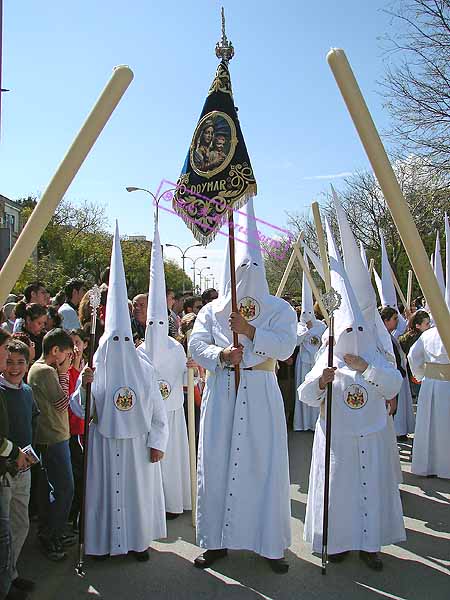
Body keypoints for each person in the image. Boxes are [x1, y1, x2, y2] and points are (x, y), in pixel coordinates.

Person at [189, 200, 297, 574]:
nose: (247, 274)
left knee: (263, 466)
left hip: (262, 392)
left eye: (253, 267)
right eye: (240, 268)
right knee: (217, 465)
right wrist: (222, 354)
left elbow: (286, 348)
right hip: (223, 393)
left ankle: (269, 544)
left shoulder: (281, 309)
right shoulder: (212, 310)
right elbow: (195, 344)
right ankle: (215, 542)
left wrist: (251, 332)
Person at [298, 220, 405, 571]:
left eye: (359, 328)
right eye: (348, 329)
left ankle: (370, 544)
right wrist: (322, 381)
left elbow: (393, 385)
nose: (354, 334)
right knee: (340, 491)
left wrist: (364, 367)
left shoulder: (377, 353)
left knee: (369, 491)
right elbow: (306, 395)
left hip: (371, 433)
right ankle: (339, 542)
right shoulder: (326, 352)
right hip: (337, 438)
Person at [70, 223, 168, 560]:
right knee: (103, 495)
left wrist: (157, 442)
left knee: (133, 495)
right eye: (115, 339)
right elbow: (83, 410)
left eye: (124, 338)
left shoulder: (143, 369)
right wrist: (83, 387)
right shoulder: (98, 365)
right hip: (102, 442)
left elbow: (157, 411)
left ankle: (137, 543)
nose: (120, 344)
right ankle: (100, 545)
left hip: (136, 446)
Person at [138, 222, 191, 521]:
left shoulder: (176, 348)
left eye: (162, 323)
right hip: (148, 417)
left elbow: (185, 380)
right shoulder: (138, 351)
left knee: (172, 463)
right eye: (151, 324)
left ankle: (173, 503)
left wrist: (191, 371)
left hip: (173, 413)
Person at [28, 328, 75, 561]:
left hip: (54, 437)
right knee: (65, 489)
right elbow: (62, 403)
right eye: (67, 353)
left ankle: (53, 530)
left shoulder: (42, 370)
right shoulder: (46, 372)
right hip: (53, 438)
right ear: (55, 351)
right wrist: (65, 373)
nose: (69, 358)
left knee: (54, 489)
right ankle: (51, 534)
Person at [1, 341, 39, 594]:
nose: (15, 368)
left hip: (24, 467)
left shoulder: (26, 391)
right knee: (3, 533)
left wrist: (30, 451)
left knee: (19, 524)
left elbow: (32, 421)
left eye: (21, 362)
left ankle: (11, 572)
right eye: (10, 362)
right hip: (5, 469)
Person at [408, 326, 450, 478]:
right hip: (445, 384)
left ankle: (427, 465)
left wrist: (420, 375)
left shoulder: (429, 333)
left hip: (430, 384)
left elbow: (413, 355)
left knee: (428, 425)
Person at [293, 253, 327, 431]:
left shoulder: (322, 325)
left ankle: (314, 423)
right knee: (302, 390)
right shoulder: (298, 326)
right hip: (303, 363)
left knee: (315, 389)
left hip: (316, 362)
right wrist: (304, 328)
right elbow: (295, 342)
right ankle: (302, 424)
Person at [380, 307, 415, 440]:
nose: (397, 322)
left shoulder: (390, 336)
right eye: (394, 319)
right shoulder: (383, 338)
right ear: (385, 321)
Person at [67, 329, 88, 532]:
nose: (75, 348)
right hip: (69, 432)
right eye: (71, 343)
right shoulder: (65, 372)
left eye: (78, 342)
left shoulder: (87, 368)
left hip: (83, 430)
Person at [399, 311, 431, 400]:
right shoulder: (420, 340)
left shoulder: (406, 337)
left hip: (415, 377)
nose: (429, 326)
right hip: (419, 376)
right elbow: (412, 357)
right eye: (427, 324)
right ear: (418, 326)